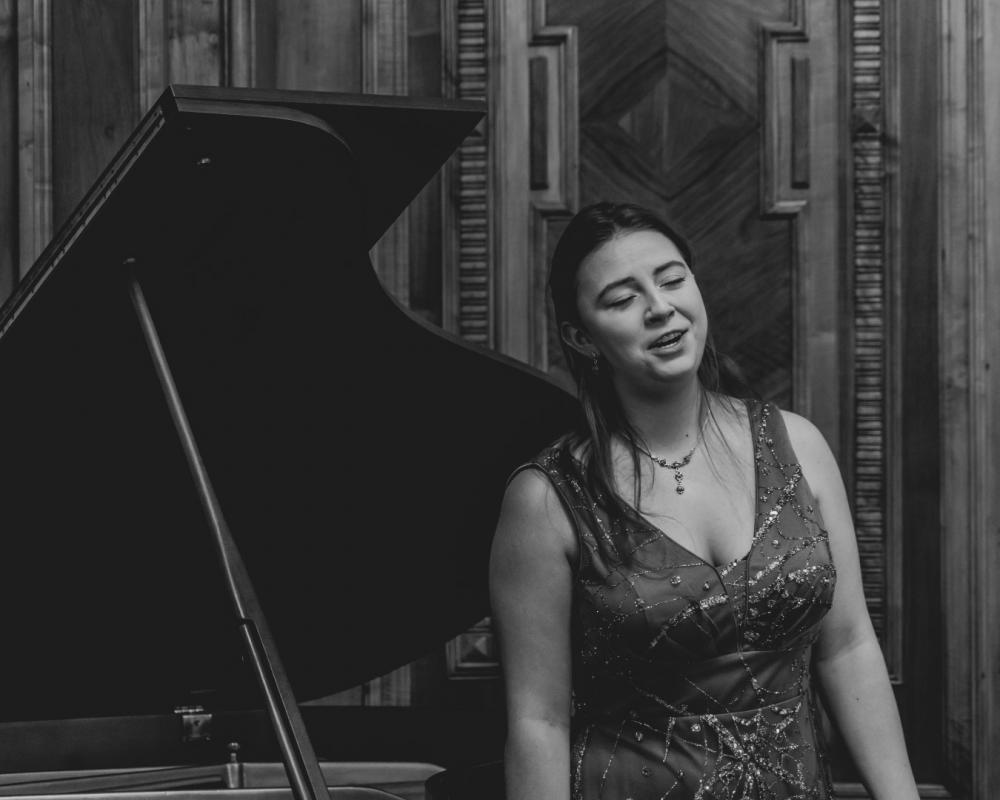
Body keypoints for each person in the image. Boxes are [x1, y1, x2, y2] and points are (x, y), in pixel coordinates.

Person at [489, 202, 919, 799]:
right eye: (622, 299)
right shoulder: (546, 500)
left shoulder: (799, 446)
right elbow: (539, 721)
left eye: (672, 280)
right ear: (581, 337)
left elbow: (848, 647)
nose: (659, 307)